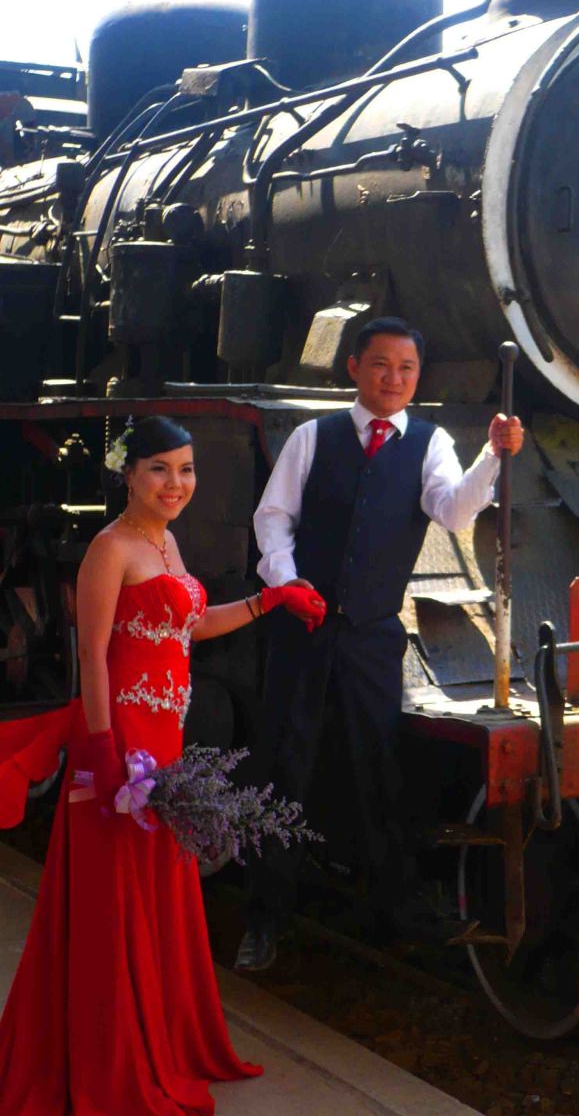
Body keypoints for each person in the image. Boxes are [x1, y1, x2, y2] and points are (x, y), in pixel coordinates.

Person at [0, 415, 325, 1116]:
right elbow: (91, 657)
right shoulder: (109, 549)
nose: (175, 484)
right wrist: (103, 754)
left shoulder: (167, 543)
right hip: (119, 748)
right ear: (129, 474)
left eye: (186, 469)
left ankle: (153, 1040)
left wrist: (269, 599)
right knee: (110, 905)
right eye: (159, 469)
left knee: (154, 903)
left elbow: (189, 627)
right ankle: (108, 1058)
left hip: (164, 751)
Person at [240, 316, 524, 970]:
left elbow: (453, 511)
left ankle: (393, 913)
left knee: (379, 766)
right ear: (354, 367)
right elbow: (273, 518)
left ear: (418, 377)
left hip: (372, 635)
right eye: (380, 364)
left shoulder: (429, 443)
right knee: (285, 763)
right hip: (302, 628)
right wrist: (286, 582)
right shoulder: (313, 437)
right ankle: (263, 918)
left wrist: (492, 456)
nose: (393, 379)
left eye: (406, 369)